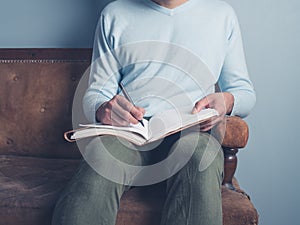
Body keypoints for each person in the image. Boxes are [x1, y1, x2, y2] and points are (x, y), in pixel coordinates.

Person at [52, 0, 256, 225]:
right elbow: (96, 93)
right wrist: (104, 109)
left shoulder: (222, 14)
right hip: (132, 132)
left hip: (193, 131)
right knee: (102, 157)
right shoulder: (114, 14)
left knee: (200, 158)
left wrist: (227, 101)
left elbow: (244, 93)